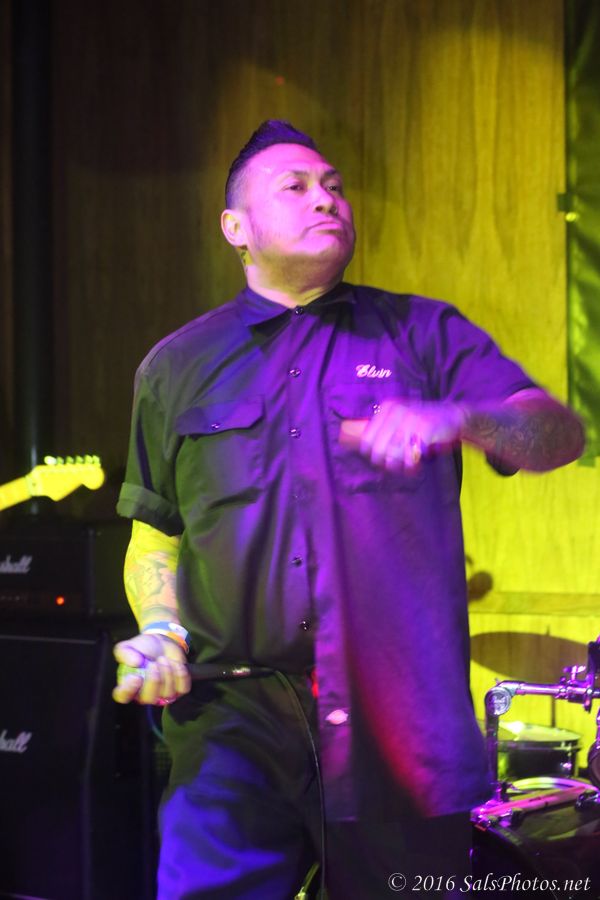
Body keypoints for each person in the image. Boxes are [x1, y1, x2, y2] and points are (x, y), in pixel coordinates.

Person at [113, 120, 585, 900]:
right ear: (235, 228)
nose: (325, 198)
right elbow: (154, 537)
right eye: (295, 187)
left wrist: (458, 417)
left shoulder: (423, 333)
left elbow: (557, 434)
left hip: (397, 723)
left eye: (334, 185)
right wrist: (161, 630)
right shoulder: (176, 366)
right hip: (231, 722)